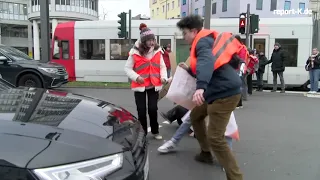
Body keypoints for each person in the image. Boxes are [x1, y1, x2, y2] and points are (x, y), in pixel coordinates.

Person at [176, 15, 243, 180]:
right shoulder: (204, 41)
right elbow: (205, 65)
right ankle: (206, 153)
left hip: (224, 94)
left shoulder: (202, 41)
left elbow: (207, 62)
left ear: (193, 31)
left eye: (184, 33)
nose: (183, 37)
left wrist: (200, 87)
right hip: (216, 91)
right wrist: (189, 70)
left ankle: (236, 177)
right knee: (196, 115)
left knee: (216, 138)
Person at [124, 27, 167, 139]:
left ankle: (155, 131)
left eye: (153, 39)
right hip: (140, 86)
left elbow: (162, 67)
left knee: (153, 109)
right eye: (149, 40)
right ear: (143, 41)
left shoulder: (157, 51)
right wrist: (137, 77)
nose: (152, 42)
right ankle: (142, 133)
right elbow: (127, 68)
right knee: (141, 111)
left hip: (154, 85)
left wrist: (163, 77)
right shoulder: (135, 52)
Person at [234, 35, 248, 108]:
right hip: (239, 68)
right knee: (239, 85)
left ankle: (239, 103)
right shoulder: (241, 47)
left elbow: (241, 59)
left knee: (239, 85)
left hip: (239, 68)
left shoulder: (241, 48)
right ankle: (239, 102)